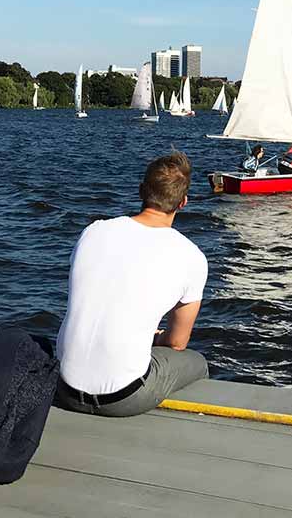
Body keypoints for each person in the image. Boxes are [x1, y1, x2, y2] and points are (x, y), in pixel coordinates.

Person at [54, 151, 208, 417]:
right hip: (122, 399)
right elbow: (178, 342)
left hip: (61, 386)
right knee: (197, 362)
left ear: (141, 191)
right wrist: (155, 337)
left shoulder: (94, 231)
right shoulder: (191, 256)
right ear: (183, 202)